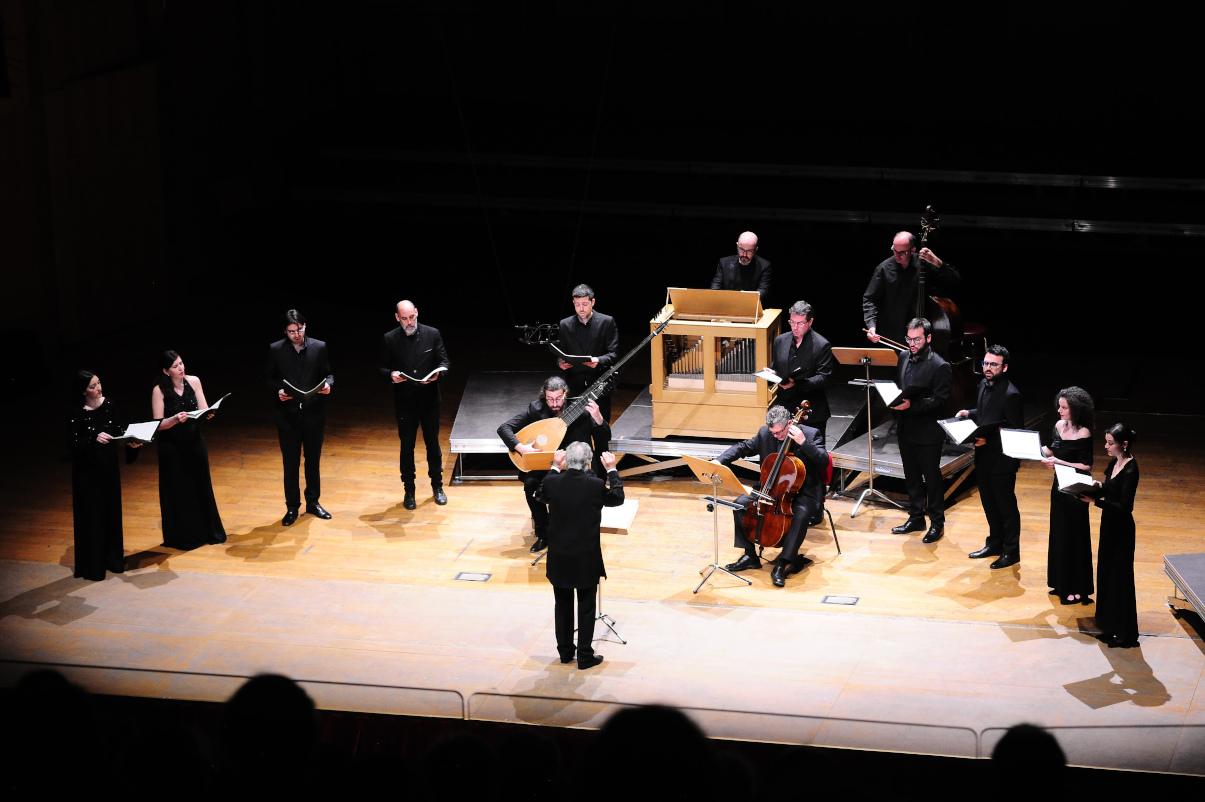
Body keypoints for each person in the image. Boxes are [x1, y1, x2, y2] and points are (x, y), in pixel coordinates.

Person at [497, 376, 611, 552]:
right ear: (545, 395)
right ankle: (544, 533)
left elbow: (604, 437)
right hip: (550, 465)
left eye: (558, 398)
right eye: (550, 399)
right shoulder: (536, 409)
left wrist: (598, 419)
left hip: (578, 466)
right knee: (531, 485)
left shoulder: (582, 411)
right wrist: (521, 447)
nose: (554, 403)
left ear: (565, 394)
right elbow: (504, 428)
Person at [719, 405, 828, 588]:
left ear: (789, 424)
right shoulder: (765, 434)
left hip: (803, 492)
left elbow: (824, 461)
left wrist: (803, 443)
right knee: (740, 504)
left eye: (779, 432)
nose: (775, 436)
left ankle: (783, 563)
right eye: (773, 432)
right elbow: (743, 447)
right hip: (771, 489)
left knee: (800, 514)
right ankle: (750, 556)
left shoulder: (810, 434)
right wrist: (720, 461)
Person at [541, 441, 624, 670]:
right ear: (589, 462)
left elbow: (540, 495)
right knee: (586, 607)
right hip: (585, 557)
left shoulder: (552, 481)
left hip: (559, 557)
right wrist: (612, 470)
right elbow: (617, 498)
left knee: (562, 605)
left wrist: (555, 468)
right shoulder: (595, 485)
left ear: (566, 460)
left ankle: (566, 653)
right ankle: (585, 656)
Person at [956, 345, 1024, 568]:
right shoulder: (983, 385)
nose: (987, 368)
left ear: (1004, 367)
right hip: (983, 457)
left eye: (993, 364)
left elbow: (1016, 432)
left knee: (1006, 507)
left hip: (1003, 461)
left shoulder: (1012, 395)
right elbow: (986, 414)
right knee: (989, 504)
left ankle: (1011, 551)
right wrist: (970, 413)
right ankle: (994, 543)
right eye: (985, 363)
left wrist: (990, 440)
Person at [151, 350, 226, 549]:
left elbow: (203, 408)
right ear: (166, 371)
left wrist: (209, 414)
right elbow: (157, 424)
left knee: (201, 484)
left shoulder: (194, 381)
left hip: (194, 441)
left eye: (182, 363)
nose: (181, 368)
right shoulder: (159, 390)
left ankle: (208, 531)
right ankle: (184, 537)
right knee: (179, 490)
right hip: (172, 446)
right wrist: (174, 419)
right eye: (175, 366)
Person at [380, 300, 450, 510]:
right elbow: (382, 367)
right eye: (404, 318)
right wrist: (391, 375)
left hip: (429, 399)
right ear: (397, 318)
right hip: (405, 402)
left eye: (412, 317)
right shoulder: (390, 338)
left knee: (432, 443)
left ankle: (437, 487)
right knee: (407, 446)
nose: (409, 322)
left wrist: (439, 372)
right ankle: (409, 491)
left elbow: (444, 361)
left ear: (417, 313)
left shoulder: (432, 333)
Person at [266, 309, 334, 526]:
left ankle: (313, 502)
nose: (296, 334)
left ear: (305, 326)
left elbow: (328, 374)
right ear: (285, 331)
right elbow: (269, 378)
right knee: (291, 463)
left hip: (314, 414)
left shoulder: (319, 347)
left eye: (299, 329)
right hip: (288, 416)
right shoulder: (275, 349)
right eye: (291, 331)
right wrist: (278, 391)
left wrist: (328, 386)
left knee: (312, 461)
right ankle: (292, 507)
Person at [69, 370, 137, 580]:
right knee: (92, 515)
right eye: (92, 386)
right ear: (83, 391)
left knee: (111, 512)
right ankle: (93, 564)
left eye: (99, 383)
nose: (98, 388)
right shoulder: (76, 412)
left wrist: (131, 443)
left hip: (108, 469)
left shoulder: (109, 405)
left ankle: (113, 559)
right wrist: (92, 439)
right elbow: (71, 445)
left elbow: (119, 430)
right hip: (87, 473)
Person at [889, 318, 952, 542]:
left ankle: (937, 522)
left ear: (928, 338)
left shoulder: (940, 365)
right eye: (909, 339)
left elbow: (941, 401)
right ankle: (916, 517)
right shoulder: (904, 356)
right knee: (911, 476)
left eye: (917, 339)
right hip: (905, 428)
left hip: (928, 432)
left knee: (931, 479)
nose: (912, 343)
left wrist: (912, 405)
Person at [1086, 423, 1140, 648]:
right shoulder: (1113, 463)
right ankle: (1109, 626)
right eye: (1106, 442)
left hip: (1122, 530)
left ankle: (1126, 634)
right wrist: (1096, 487)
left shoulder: (1131, 468)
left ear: (1123, 444)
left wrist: (1096, 501)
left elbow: (1125, 507)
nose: (1106, 446)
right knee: (1107, 575)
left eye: (1110, 443)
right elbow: (1110, 490)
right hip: (1108, 525)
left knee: (1121, 579)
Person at [1040, 386, 1095, 604]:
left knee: (1075, 537)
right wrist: (1041, 451)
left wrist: (1057, 462)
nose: (1060, 411)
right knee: (1059, 534)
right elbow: (1053, 450)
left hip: (1076, 489)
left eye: (1064, 408)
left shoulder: (1084, 432)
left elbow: (1085, 465)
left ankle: (1077, 586)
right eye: (1059, 406)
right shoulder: (1058, 426)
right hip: (1059, 487)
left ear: (1076, 409)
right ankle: (1060, 582)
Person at [863, 231, 960, 348]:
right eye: (894, 250)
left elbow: (954, 280)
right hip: (893, 334)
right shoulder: (883, 269)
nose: (897, 255)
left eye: (902, 252)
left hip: (924, 334)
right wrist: (871, 326)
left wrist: (937, 262)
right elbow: (870, 299)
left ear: (913, 250)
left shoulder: (924, 264)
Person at [556, 283, 619, 421]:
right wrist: (561, 362)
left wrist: (597, 361)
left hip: (599, 384)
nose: (581, 308)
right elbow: (562, 353)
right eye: (577, 304)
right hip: (574, 383)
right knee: (574, 427)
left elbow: (613, 354)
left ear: (593, 302)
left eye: (585, 304)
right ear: (573, 303)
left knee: (600, 427)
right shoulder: (565, 324)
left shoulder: (606, 322)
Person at [711, 230, 772, 305]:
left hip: (750, 307)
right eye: (741, 249)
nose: (744, 255)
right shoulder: (724, 263)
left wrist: (743, 298)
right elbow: (715, 289)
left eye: (749, 251)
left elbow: (763, 290)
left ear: (756, 250)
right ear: (737, 246)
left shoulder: (764, 265)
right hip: (726, 306)